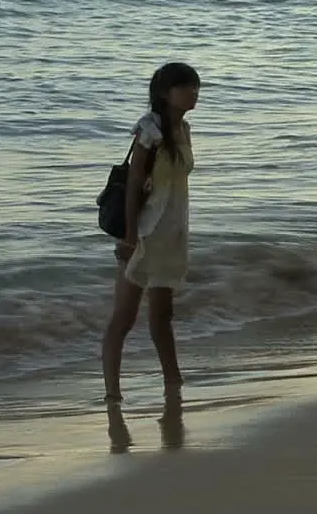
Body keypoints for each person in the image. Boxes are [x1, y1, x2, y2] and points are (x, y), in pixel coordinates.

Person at [103, 62, 200, 404]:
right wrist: (129, 237)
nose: (193, 93)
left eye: (195, 87)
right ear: (164, 93)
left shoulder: (184, 130)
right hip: (143, 234)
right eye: (185, 87)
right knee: (124, 317)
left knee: (162, 316)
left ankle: (173, 381)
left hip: (170, 236)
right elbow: (132, 187)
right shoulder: (150, 129)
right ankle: (112, 392)